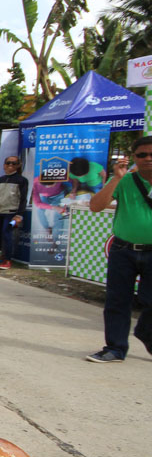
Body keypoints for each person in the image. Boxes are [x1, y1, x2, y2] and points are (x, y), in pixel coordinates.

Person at [85, 139, 152, 363]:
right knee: (117, 300)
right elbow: (96, 206)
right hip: (124, 249)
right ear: (134, 158)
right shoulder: (125, 181)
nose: (148, 158)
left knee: (149, 300)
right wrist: (116, 178)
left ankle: (145, 332)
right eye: (142, 155)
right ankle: (115, 348)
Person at [0, 156, 29, 270]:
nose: (10, 165)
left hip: (11, 212)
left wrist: (19, 214)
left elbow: (23, 198)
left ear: (18, 165)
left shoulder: (21, 180)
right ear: (4, 165)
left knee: (7, 235)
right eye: (8, 163)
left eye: (14, 163)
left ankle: (7, 260)